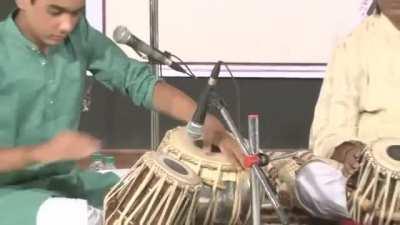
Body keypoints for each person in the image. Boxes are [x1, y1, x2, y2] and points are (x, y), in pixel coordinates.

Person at [0, 0, 244, 224]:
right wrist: (43, 153)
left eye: (76, 13)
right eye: (55, 11)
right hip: (7, 196)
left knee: (155, 195)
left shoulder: (78, 35)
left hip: (63, 184)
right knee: (79, 218)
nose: (66, 24)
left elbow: (135, 79)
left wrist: (203, 119)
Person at [308, 0, 400, 223]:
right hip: (372, 178)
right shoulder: (353, 45)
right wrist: (347, 150)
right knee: (310, 180)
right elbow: (331, 127)